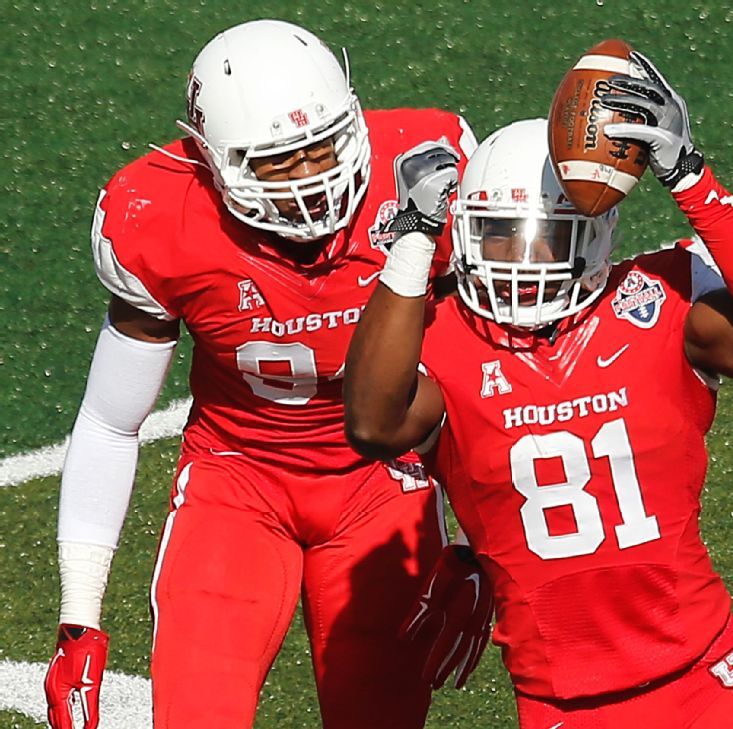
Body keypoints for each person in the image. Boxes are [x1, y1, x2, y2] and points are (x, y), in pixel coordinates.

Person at [344, 50, 733, 729]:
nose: (523, 259)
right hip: (566, 704)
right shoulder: (443, 337)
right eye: (500, 236)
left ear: (595, 234)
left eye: (548, 238)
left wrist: (691, 176)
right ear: (464, 233)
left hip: (708, 677)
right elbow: (370, 422)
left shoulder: (654, 301)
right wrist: (413, 241)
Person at [43, 19, 490, 729]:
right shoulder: (161, 219)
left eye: (324, 147)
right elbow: (110, 420)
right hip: (237, 481)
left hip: (384, 483)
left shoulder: (425, 173)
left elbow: (490, 375)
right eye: (278, 162)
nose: (312, 178)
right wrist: (79, 617)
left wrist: (479, 541)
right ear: (209, 159)